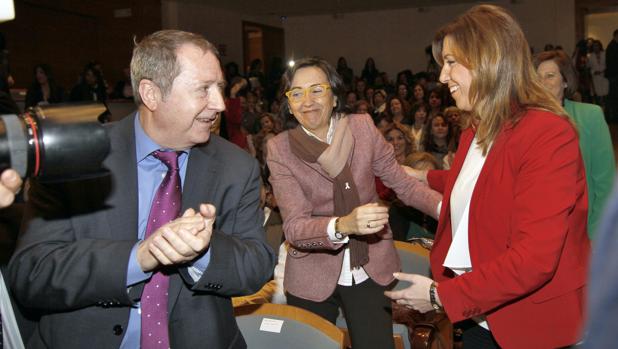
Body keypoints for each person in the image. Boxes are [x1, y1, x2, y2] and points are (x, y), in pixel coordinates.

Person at [8, 30, 275, 348]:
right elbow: (32, 273)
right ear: (151, 93)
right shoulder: (73, 157)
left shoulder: (235, 166)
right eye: (203, 90)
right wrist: (139, 257)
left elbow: (257, 265)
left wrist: (202, 252)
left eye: (217, 87)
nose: (219, 104)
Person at [385, 5, 590, 349]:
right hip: (484, 314)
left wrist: (440, 296)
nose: (442, 77)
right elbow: (481, 184)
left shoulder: (547, 133)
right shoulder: (477, 127)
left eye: (451, 62)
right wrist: (423, 177)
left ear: (489, 60)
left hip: (534, 324)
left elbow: (534, 259)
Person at [266, 57, 441, 349]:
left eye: (316, 90)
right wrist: (344, 225)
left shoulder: (362, 128)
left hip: (369, 264)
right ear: (289, 104)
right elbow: (295, 227)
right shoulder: (280, 148)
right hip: (311, 271)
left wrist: (448, 210)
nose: (307, 101)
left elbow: (403, 184)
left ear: (334, 97)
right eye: (296, 93)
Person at [534, 49, 615, 239]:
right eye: (537, 78)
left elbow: (605, 183)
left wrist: (595, 237)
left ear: (565, 81)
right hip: (541, 230)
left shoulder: (590, 116)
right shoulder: (526, 122)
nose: (542, 83)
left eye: (550, 76)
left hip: (581, 230)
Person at [606, 29, 618, 121]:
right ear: (615, 36)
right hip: (614, 75)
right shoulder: (612, 46)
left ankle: (613, 116)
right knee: (613, 96)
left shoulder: (613, 46)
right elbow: (613, 63)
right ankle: (613, 116)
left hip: (613, 75)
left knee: (613, 96)